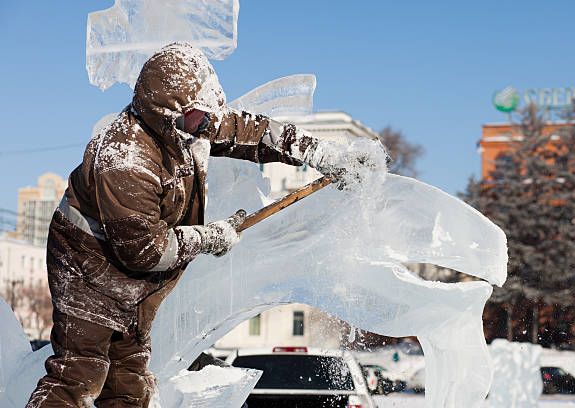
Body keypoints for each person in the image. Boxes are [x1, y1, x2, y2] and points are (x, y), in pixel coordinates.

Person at [27, 42, 373, 407]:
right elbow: (145, 251)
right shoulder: (126, 159)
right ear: (167, 111)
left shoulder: (193, 121)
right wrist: (209, 237)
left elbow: (252, 132)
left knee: (128, 379)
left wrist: (316, 152)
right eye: (202, 115)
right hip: (88, 264)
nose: (210, 123)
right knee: (78, 374)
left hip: (136, 267)